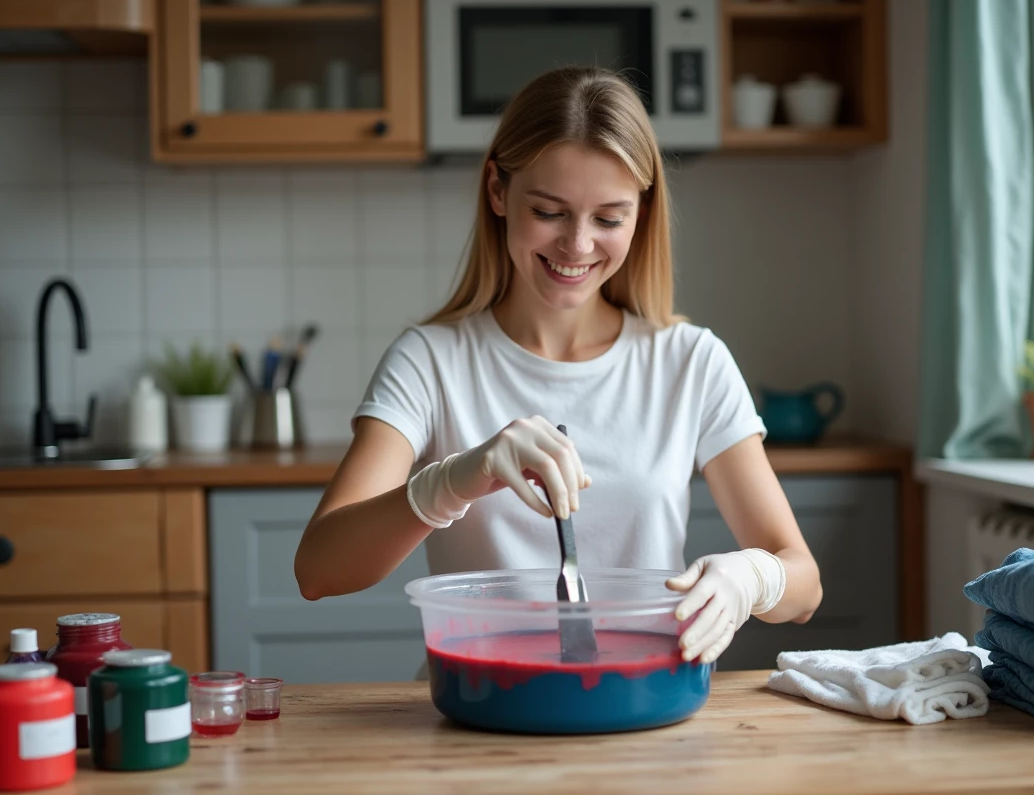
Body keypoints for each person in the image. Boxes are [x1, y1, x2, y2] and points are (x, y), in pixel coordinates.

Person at [294, 66, 822, 666]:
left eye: (609, 218)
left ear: (643, 213)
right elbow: (318, 571)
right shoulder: (429, 362)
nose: (577, 245)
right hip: (480, 715)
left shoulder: (689, 362)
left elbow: (803, 585)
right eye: (549, 211)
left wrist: (750, 577)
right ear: (498, 190)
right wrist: (455, 479)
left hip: (641, 711)